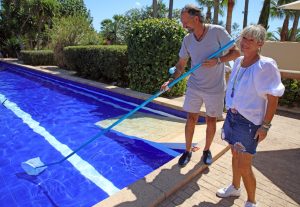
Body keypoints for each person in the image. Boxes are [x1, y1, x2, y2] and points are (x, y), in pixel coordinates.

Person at [161, 4, 240, 167]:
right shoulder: (187, 40)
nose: (183, 25)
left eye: (185, 21)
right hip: (195, 86)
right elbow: (181, 65)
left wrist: (218, 60)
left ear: (196, 19)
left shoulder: (217, 31)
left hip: (215, 87)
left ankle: (206, 150)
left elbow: (236, 52)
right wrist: (171, 81)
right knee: (191, 119)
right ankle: (187, 150)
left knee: (211, 121)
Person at [216, 25, 285, 207]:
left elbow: (273, 98)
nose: (245, 43)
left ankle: (252, 201)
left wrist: (265, 126)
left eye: (251, 40)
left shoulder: (266, 65)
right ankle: (235, 187)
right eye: (244, 38)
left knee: (245, 165)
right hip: (232, 117)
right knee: (234, 156)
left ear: (260, 43)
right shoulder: (239, 61)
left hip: (248, 123)